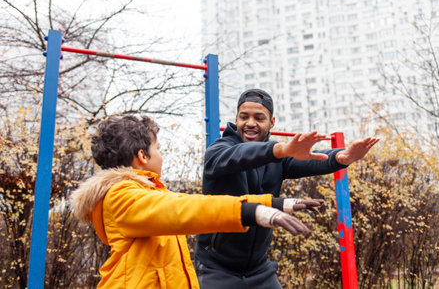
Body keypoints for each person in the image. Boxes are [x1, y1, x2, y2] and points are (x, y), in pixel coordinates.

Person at [69, 114, 323, 289]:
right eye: (158, 149)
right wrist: (251, 212)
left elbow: (196, 203)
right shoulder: (121, 196)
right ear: (142, 156)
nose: (161, 155)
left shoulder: (143, 194)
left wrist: (275, 204)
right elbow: (186, 210)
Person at [194, 89, 379, 288]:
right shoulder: (220, 151)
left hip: (259, 268)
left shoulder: (277, 160)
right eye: (244, 117)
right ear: (236, 119)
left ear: (271, 122)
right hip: (216, 269)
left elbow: (309, 160)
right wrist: (279, 150)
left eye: (259, 118)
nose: (250, 123)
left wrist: (341, 158)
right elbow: (240, 155)